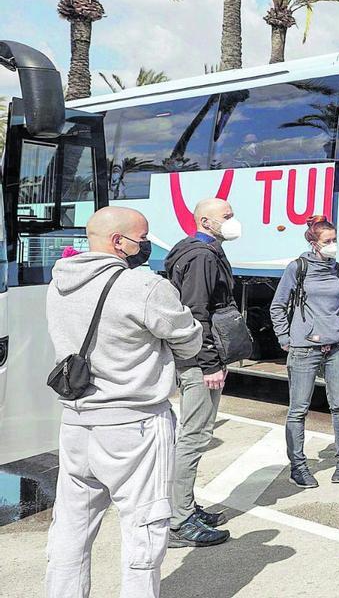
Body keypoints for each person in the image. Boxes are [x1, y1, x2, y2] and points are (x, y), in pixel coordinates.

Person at [45, 206, 203, 598]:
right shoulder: (143, 287)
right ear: (119, 242)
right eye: (143, 237)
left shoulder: (59, 282)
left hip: (77, 422)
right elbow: (190, 338)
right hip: (135, 425)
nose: (146, 244)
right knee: (144, 528)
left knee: (71, 526)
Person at [270, 215, 339, 489]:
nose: (333, 245)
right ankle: (299, 467)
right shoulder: (298, 268)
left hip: (337, 348)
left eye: (335, 240)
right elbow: (278, 306)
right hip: (304, 350)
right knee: (298, 410)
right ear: (314, 243)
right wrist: (284, 338)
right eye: (328, 241)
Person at [162, 198, 239, 548]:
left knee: (195, 435)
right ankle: (178, 521)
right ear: (206, 222)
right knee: (193, 437)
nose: (233, 221)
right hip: (199, 362)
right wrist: (209, 363)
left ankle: (185, 506)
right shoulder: (202, 256)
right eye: (226, 216)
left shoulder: (198, 252)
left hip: (199, 358)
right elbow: (196, 313)